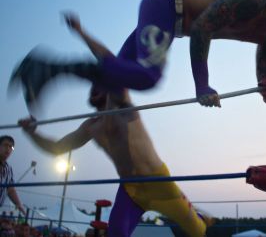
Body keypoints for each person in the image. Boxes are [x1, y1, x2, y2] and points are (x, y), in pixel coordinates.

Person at [10, 0, 266, 124]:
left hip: (169, 26)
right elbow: (204, 27)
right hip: (166, 4)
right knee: (149, 77)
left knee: (120, 76)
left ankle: (44, 73)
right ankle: (44, 68)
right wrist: (202, 85)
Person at [18, 87, 213, 237]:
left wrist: (84, 38)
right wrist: (32, 133)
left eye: (100, 84)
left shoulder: (125, 108)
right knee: (116, 234)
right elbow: (57, 148)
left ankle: (198, 216)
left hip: (159, 184)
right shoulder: (90, 126)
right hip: (130, 189)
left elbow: (116, 71)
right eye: (93, 86)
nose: (94, 88)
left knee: (198, 231)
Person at [0, 135, 26, 216]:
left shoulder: (9, 169)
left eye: (11, 147)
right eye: (5, 145)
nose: (8, 148)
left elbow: (10, 189)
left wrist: (18, 204)